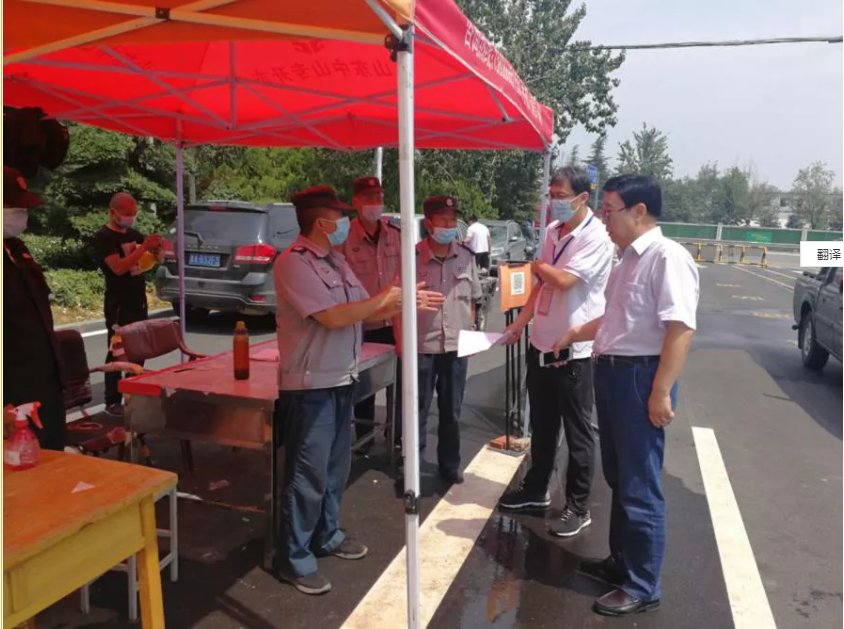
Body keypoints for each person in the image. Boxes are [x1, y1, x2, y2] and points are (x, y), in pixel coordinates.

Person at [273, 185, 441, 595]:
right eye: (338, 217)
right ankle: (293, 558)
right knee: (307, 473)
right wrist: (388, 299)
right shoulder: (293, 263)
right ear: (321, 222)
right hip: (311, 384)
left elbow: (366, 306)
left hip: (342, 377)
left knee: (335, 468)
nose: (344, 223)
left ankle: (326, 534)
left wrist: (402, 301)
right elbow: (333, 317)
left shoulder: (335, 260)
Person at [552, 175, 699, 617]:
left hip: (639, 378)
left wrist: (660, 392)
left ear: (639, 211)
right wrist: (576, 333)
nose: (603, 219)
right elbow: (616, 319)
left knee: (640, 485)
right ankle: (622, 562)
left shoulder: (666, 257)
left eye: (609, 210)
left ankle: (643, 584)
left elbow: (680, 329)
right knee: (618, 477)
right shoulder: (626, 260)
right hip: (613, 374)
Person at [498, 166, 613, 540]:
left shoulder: (596, 237)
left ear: (582, 197)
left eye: (561, 196)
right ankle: (536, 489)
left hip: (574, 349)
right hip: (541, 343)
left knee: (578, 433)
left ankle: (578, 507)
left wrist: (537, 266)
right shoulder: (551, 231)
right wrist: (521, 324)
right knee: (543, 426)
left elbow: (562, 281)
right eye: (552, 195)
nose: (554, 202)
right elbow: (542, 286)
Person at [394, 195, 481, 484]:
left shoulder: (466, 256)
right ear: (429, 224)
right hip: (421, 346)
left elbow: (473, 301)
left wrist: (472, 334)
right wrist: (401, 342)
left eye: (452, 219)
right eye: (443, 219)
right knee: (415, 411)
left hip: (456, 347)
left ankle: (449, 465)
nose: (449, 225)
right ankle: (412, 469)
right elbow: (395, 303)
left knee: (451, 411)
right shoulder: (411, 257)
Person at [2, 167, 66, 450]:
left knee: (55, 459)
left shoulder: (16, 248)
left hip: (44, 383)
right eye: (12, 205)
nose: (21, 213)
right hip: (12, 394)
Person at [342, 176, 403, 449]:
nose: (376, 203)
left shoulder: (395, 235)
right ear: (356, 202)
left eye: (379, 197)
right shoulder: (344, 237)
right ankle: (363, 442)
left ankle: (397, 438)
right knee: (363, 387)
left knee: (399, 385)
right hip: (361, 325)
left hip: (394, 323)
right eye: (369, 198)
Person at [94, 192, 162, 416]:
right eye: (127, 214)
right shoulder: (104, 237)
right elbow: (119, 267)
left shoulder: (134, 234)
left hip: (137, 299)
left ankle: (133, 393)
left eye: (134, 213)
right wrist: (143, 248)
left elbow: (154, 259)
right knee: (117, 350)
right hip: (118, 302)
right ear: (113, 212)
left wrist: (157, 249)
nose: (131, 218)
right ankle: (112, 400)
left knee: (139, 348)